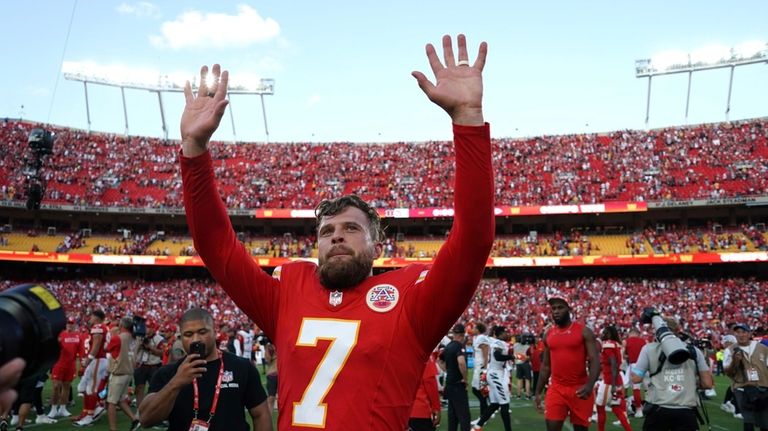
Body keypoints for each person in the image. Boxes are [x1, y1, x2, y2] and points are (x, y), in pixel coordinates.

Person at [179, 33, 494, 430]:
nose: (337, 236)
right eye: (327, 231)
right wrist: (194, 149)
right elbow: (215, 245)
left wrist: (467, 120)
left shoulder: (412, 305)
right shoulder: (286, 297)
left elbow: (474, 241)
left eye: (350, 228)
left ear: (377, 245)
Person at [139, 308, 272, 431]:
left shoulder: (242, 367)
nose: (196, 339)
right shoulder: (167, 373)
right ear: (181, 336)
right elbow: (146, 419)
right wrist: (176, 383)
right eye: (188, 334)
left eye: (202, 332)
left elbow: (261, 414)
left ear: (214, 332)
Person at [630, 316, 713, 431]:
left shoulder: (648, 349)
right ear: (678, 331)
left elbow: (636, 379)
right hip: (686, 410)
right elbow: (708, 384)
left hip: (658, 409)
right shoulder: (694, 351)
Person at [534, 296, 600, 431]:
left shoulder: (584, 331)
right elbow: (546, 366)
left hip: (580, 389)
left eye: (560, 307)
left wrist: (589, 385)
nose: (556, 311)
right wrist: (538, 392)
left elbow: (595, 360)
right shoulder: (549, 334)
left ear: (568, 309)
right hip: (556, 388)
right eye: (553, 309)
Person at [724, 323, 768, 431]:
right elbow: (728, 372)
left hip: (763, 387)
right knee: (748, 419)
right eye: (738, 332)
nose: (741, 335)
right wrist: (735, 361)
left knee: (765, 421)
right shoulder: (730, 350)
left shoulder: (763, 348)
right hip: (742, 387)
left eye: (743, 332)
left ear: (749, 333)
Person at [472, 325, 513, 431]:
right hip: (496, 375)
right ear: (500, 334)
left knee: (494, 404)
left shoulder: (498, 342)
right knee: (504, 404)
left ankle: (477, 427)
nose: (507, 334)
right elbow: (497, 356)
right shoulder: (498, 343)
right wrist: (512, 356)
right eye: (505, 332)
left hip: (494, 374)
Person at [73, 309, 110, 426]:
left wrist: (89, 359)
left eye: (92, 316)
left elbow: (97, 344)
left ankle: (90, 416)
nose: (90, 319)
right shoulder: (102, 327)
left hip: (98, 359)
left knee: (91, 389)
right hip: (96, 360)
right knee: (82, 387)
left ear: (96, 317)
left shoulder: (98, 326)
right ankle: (87, 411)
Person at [105, 317, 140, 431]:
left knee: (111, 402)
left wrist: (111, 333)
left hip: (119, 373)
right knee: (120, 400)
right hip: (129, 372)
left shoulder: (118, 338)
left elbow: (107, 348)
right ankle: (134, 419)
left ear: (122, 326)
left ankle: (113, 429)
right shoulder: (134, 338)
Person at [594, 326, 632, 431]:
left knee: (600, 407)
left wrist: (613, 384)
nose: (602, 334)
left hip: (610, 381)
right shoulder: (617, 344)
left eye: (605, 333)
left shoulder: (608, 344)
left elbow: (613, 363)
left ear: (610, 334)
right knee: (616, 408)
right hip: (616, 379)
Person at [47, 316, 80, 419]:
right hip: (59, 363)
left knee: (66, 386)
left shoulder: (78, 336)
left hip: (71, 364)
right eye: (68, 323)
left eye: (72, 323)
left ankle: (62, 408)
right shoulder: (60, 335)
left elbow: (80, 350)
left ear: (75, 325)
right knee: (56, 386)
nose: (70, 325)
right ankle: (53, 409)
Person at [441, 323, 471, 431]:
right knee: (464, 417)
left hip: (449, 384)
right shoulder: (459, 346)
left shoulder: (448, 346)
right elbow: (461, 363)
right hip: (458, 384)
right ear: (462, 334)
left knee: (452, 416)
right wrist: (465, 379)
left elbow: (440, 360)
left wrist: (448, 370)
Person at [134, 320, 165, 410]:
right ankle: (139, 409)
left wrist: (150, 347)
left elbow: (161, 353)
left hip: (153, 365)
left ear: (153, 328)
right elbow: (135, 350)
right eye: (146, 327)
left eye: (149, 327)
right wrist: (140, 344)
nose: (147, 329)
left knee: (154, 388)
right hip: (141, 365)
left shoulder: (159, 339)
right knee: (139, 387)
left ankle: (154, 408)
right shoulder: (140, 337)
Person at [408, 356, 441, 431]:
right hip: (420, 410)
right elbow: (430, 383)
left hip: (401, 412)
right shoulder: (425, 356)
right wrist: (436, 408)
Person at [623, 327, 646, 417]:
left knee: (635, 388)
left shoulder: (626, 341)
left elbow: (624, 355)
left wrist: (628, 354)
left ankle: (638, 410)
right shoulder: (643, 341)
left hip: (635, 366)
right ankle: (649, 408)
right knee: (648, 389)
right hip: (645, 365)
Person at [470, 322, 491, 421]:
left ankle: (483, 416)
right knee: (477, 390)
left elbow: (485, 351)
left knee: (479, 391)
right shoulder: (477, 338)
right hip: (478, 367)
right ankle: (487, 411)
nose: (472, 329)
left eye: (474, 328)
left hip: (481, 368)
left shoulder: (481, 338)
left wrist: (485, 368)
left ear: (478, 329)